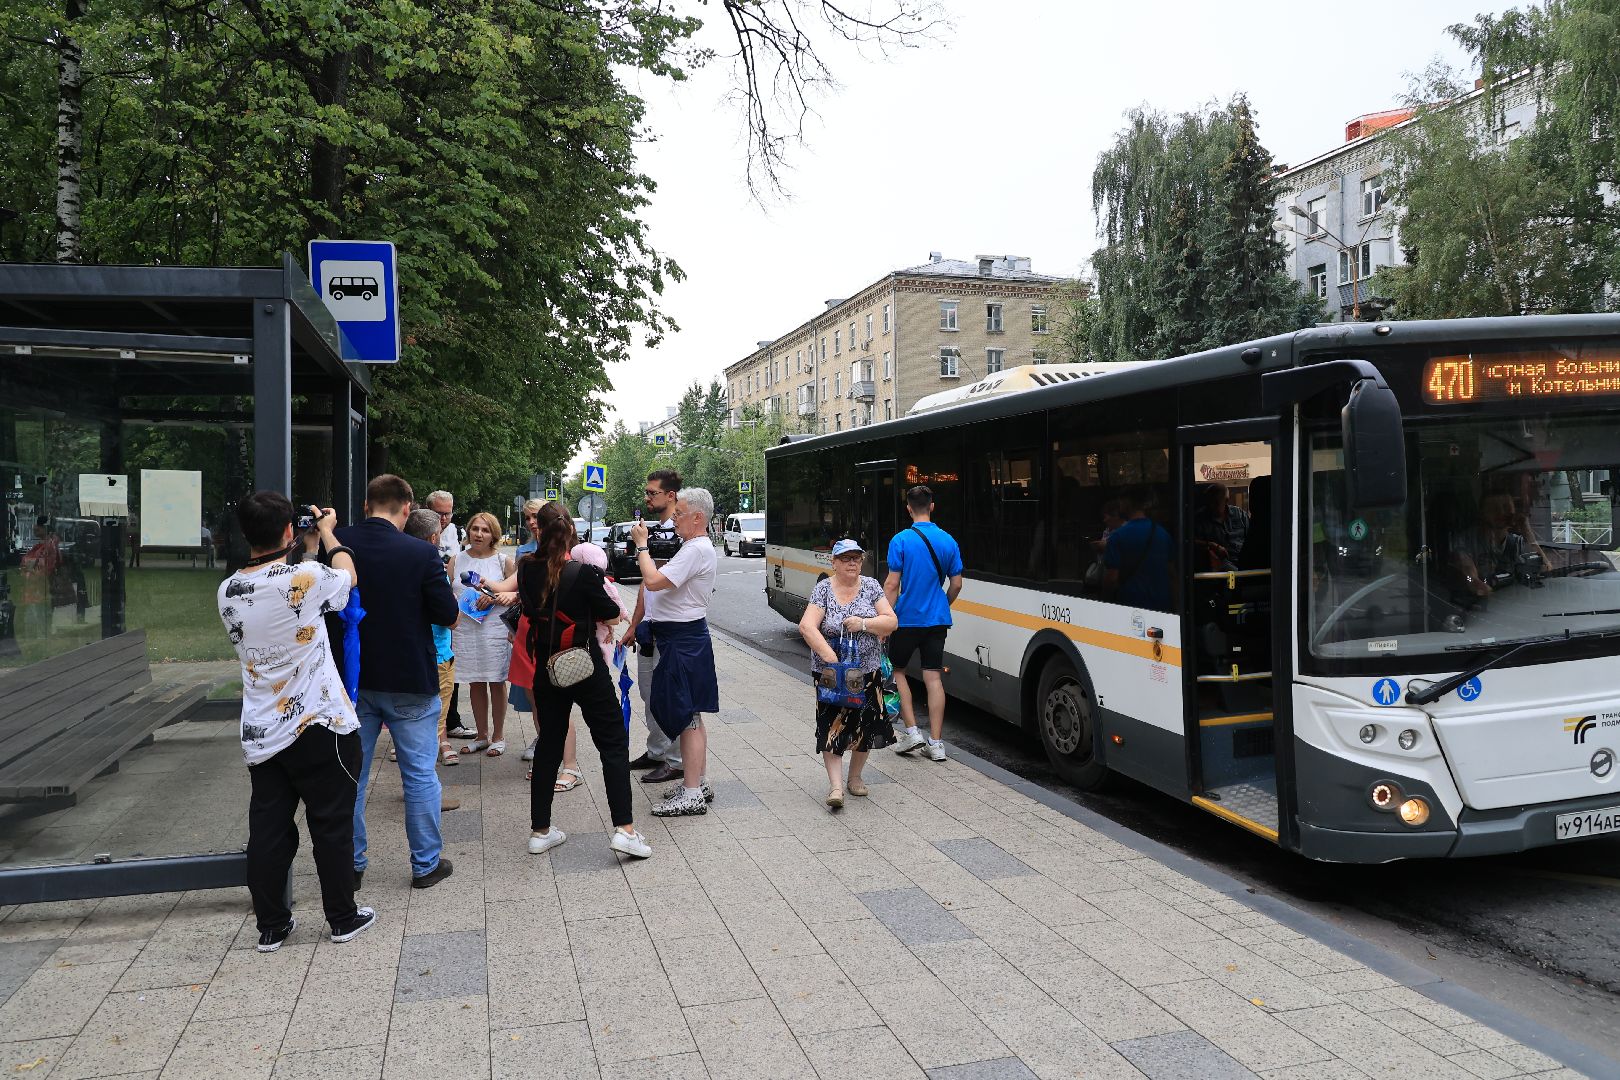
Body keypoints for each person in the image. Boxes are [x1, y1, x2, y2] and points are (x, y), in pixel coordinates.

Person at [218, 493, 375, 953]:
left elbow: (286, 589)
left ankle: (272, 924)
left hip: (263, 729)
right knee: (331, 823)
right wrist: (326, 532)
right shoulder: (305, 575)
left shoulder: (228, 589)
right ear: (289, 530)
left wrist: (298, 546)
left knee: (268, 829)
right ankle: (343, 917)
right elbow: (347, 576)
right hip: (318, 721)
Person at [331, 474, 458, 890]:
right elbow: (447, 614)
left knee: (353, 774)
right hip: (410, 679)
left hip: (353, 680)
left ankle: (351, 864)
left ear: (366, 505)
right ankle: (425, 865)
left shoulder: (338, 545)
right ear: (407, 509)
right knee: (420, 774)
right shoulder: (421, 553)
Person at [504, 507, 651, 859]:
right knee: (612, 743)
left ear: (539, 530)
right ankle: (625, 830)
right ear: (570, 530)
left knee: (548, 745)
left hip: (546, 669)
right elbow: (612, 614)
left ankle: (540, 830)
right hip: (584, 667)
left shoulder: (525, 570)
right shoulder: (583, 573)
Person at [630, 486, 720, 817]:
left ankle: (693, 792)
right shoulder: (693, 547)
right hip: (681, 639)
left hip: (682, 641)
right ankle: (698, 782)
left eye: (680, 513)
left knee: (688, 716)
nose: (675, 519)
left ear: (698, 518)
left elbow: (653, 582)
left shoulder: (696, 549)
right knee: (690, 714)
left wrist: (641, 546)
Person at [798, 538, 900, 807]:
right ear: (834, 562)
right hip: (832, 675)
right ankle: (835, 787)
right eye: (845, 558)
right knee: (832, 725)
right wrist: (832, 660)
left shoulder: (871, 586)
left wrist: (864, 623)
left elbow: (891, 621)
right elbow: (807, 626)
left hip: (867, 671)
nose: (852, 562)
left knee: (865, 725)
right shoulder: (823, 589)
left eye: (856, 557)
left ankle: (855, 777)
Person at [885, 485, 963, 763]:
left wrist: (884, 616)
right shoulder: (948, 541)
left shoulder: (901, 540)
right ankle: (937, 744)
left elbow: (893, 584)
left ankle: (912, 732)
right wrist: (943, 604)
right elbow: (956, 584)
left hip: (907, 619)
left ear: (908, 508)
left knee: (898, 670)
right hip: (937, 620)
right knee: (933, 677)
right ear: (932, 506)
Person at [619, 470, 685, 784]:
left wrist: (643, 545)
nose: (647, 498)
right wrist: (635, 622)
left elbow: (661, 580)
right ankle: (657, 751)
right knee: (648, 692)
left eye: (652, 493)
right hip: (650, 625)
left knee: (666, 695)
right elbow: (647, 584)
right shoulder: (654, 531)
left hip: (672, 627)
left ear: (670, 495)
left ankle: (676, 761)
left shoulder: (682, 532)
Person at [403, 509, 465, 788]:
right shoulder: (433, 565)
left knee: (408, 723)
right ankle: (423, 792)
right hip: (436, 653)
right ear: (433, 537)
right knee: (432, 723)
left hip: (402, 652)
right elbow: (450, 618)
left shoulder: (393, 560)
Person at [453, 511, 515, 755]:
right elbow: (450, 592)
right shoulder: (456, 560)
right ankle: (481, 735)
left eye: (485, 530)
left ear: (494, 535)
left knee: (496, 681)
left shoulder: (503, 561)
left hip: (493, 629)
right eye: (475, 529)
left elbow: (516, 597)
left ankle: (498, 736)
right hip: (466, 629)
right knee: (474, 681)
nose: (479, 534)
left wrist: (491, 598)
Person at [428, 490, 472, 738]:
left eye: (448, 513)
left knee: (448, 662)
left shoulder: (455, 531)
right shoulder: (420, 528)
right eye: (439, 513)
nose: (443, 518)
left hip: (448, 597)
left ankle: (451, 721)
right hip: (430, 598)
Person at [1103, 486, 1175, 611]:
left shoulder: (1117, 536)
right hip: (1161, 607)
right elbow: (1172, 574)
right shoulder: (1163, 534)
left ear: (1127, 503)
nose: (1119, 506)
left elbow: (1112, 579)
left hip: (1130, 606)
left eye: (1121, 502)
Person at [1193, 482, 1249, 572]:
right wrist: (1212, 545)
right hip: (1220, 565)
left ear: (1226, 501)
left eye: (1215, 502)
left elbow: (1251, 536)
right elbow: (1190, 540)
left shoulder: (1240, 514)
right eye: (1209, 502)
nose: (1211, 506)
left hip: (1244, 560)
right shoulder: (1200, 518)